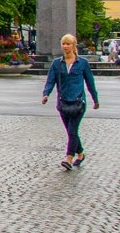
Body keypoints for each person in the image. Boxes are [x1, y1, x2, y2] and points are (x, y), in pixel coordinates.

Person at [42, 33, 99, 170]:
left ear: (74, 46)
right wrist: (46, 94)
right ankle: (80, 153)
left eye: (68, 44)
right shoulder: (57, 63)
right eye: (63, 44)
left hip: (78, 102)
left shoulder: (82, 63)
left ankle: (69, 158)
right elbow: (51, 80)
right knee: (70, 131)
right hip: (63, 102)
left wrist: (95, 99)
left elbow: (90, 82)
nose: (65, 46)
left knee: (73, 130)